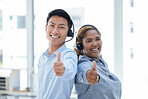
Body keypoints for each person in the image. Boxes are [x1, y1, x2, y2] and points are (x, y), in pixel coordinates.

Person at [37, 9, 77, 99]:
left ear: (68, 32)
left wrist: (63, 69)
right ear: (46, 28)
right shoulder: (42, 58)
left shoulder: (69, 54)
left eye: (61, 27)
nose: (55, 31)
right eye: (52, 25)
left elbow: (70, 69)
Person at [74, 24, 122, 99]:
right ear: (80, 45)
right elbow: (84, 73)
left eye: (97, 39)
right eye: (89, 41)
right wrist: (88, 75)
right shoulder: (83, 64)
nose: (95, 44)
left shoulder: (102, 63)